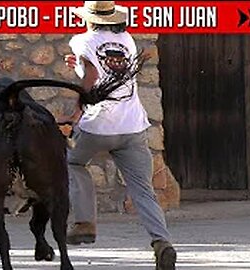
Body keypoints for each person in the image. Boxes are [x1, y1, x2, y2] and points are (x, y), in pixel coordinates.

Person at [62, 1, 176, 269]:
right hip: (132, 126)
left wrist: (76, 112)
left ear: (89, 19)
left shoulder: (82, 40)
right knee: (142, 189)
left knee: (73, 162)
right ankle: (162, 242)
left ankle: (85, 222)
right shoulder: (126, 38)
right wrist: (78, 66)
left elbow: (91, 76)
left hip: (97, 126)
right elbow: (109, 73)